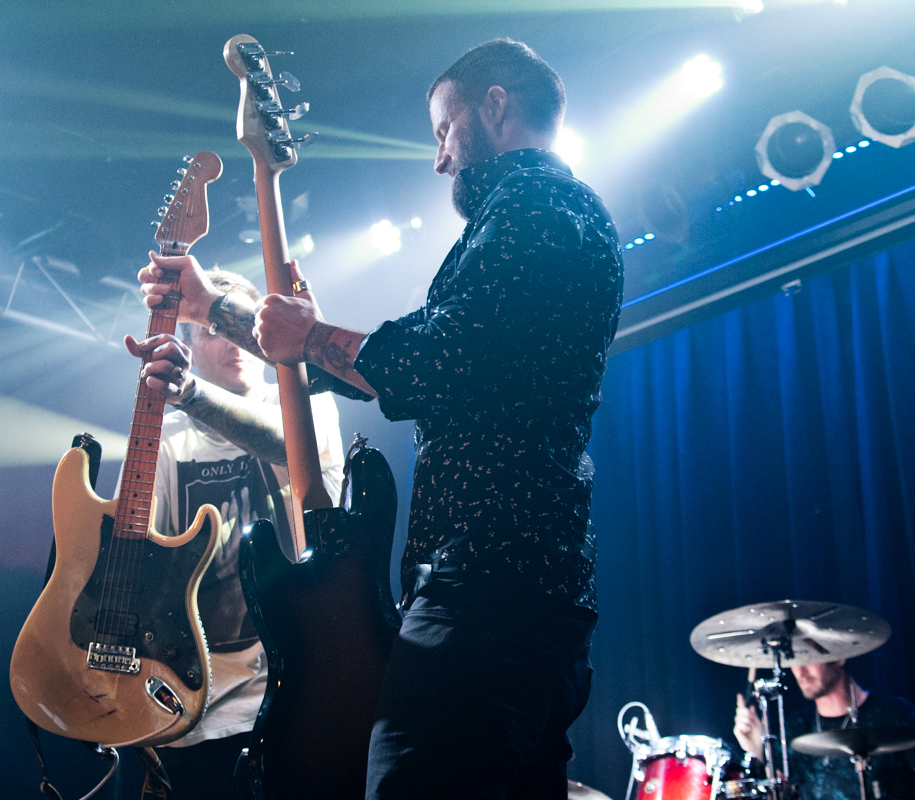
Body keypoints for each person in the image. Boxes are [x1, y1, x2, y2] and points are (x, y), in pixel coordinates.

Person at [137, 38, 623, 799]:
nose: (438, 160)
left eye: (442, 129)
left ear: (494, 106)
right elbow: (403, 364)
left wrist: (308, 337)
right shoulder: (544, 218)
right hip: (528, 590)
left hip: (490, 590)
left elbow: (436, 361)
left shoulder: (539, 209)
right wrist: (216, 309)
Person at [122, 268, 345, 799]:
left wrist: (190, 393)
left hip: (303, 691)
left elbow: (293, 446)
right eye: (211, 330)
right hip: (200, 709)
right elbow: (139, 561)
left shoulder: (306, 400)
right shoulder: (167, 435)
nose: (233, 344)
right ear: (190, 347)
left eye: (239, 326)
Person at [733, 659, 915, 800]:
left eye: (810, 659)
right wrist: (759, 751)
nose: (800, 671)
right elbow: (783, 792)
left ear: (839, 657)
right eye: (795, 661)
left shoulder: (894, 714)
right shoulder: (796, 727)